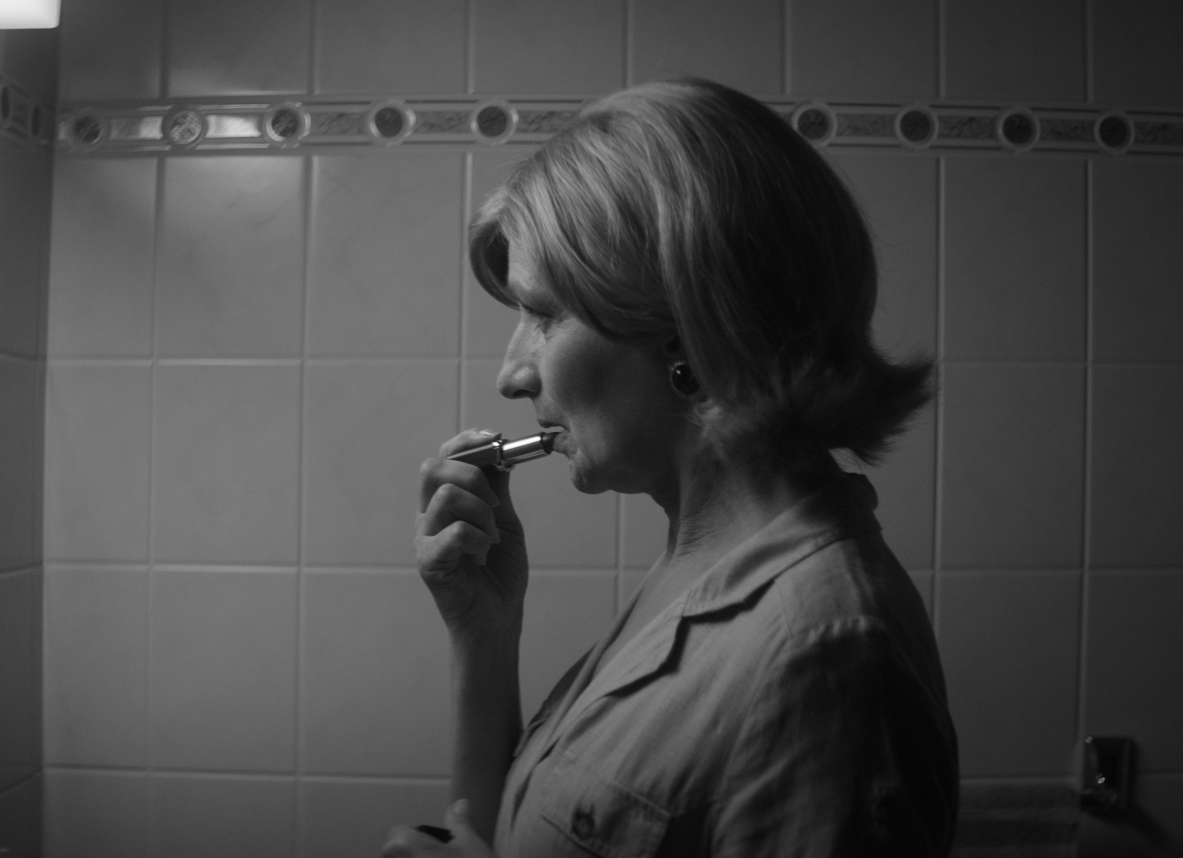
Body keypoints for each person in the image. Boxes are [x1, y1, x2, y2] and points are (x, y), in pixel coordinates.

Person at [387, 77, 958, 858]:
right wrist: (482, 633)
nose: (512, 376)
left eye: (544, 315)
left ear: (689, 330)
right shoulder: (699, 572)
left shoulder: (826, 655)